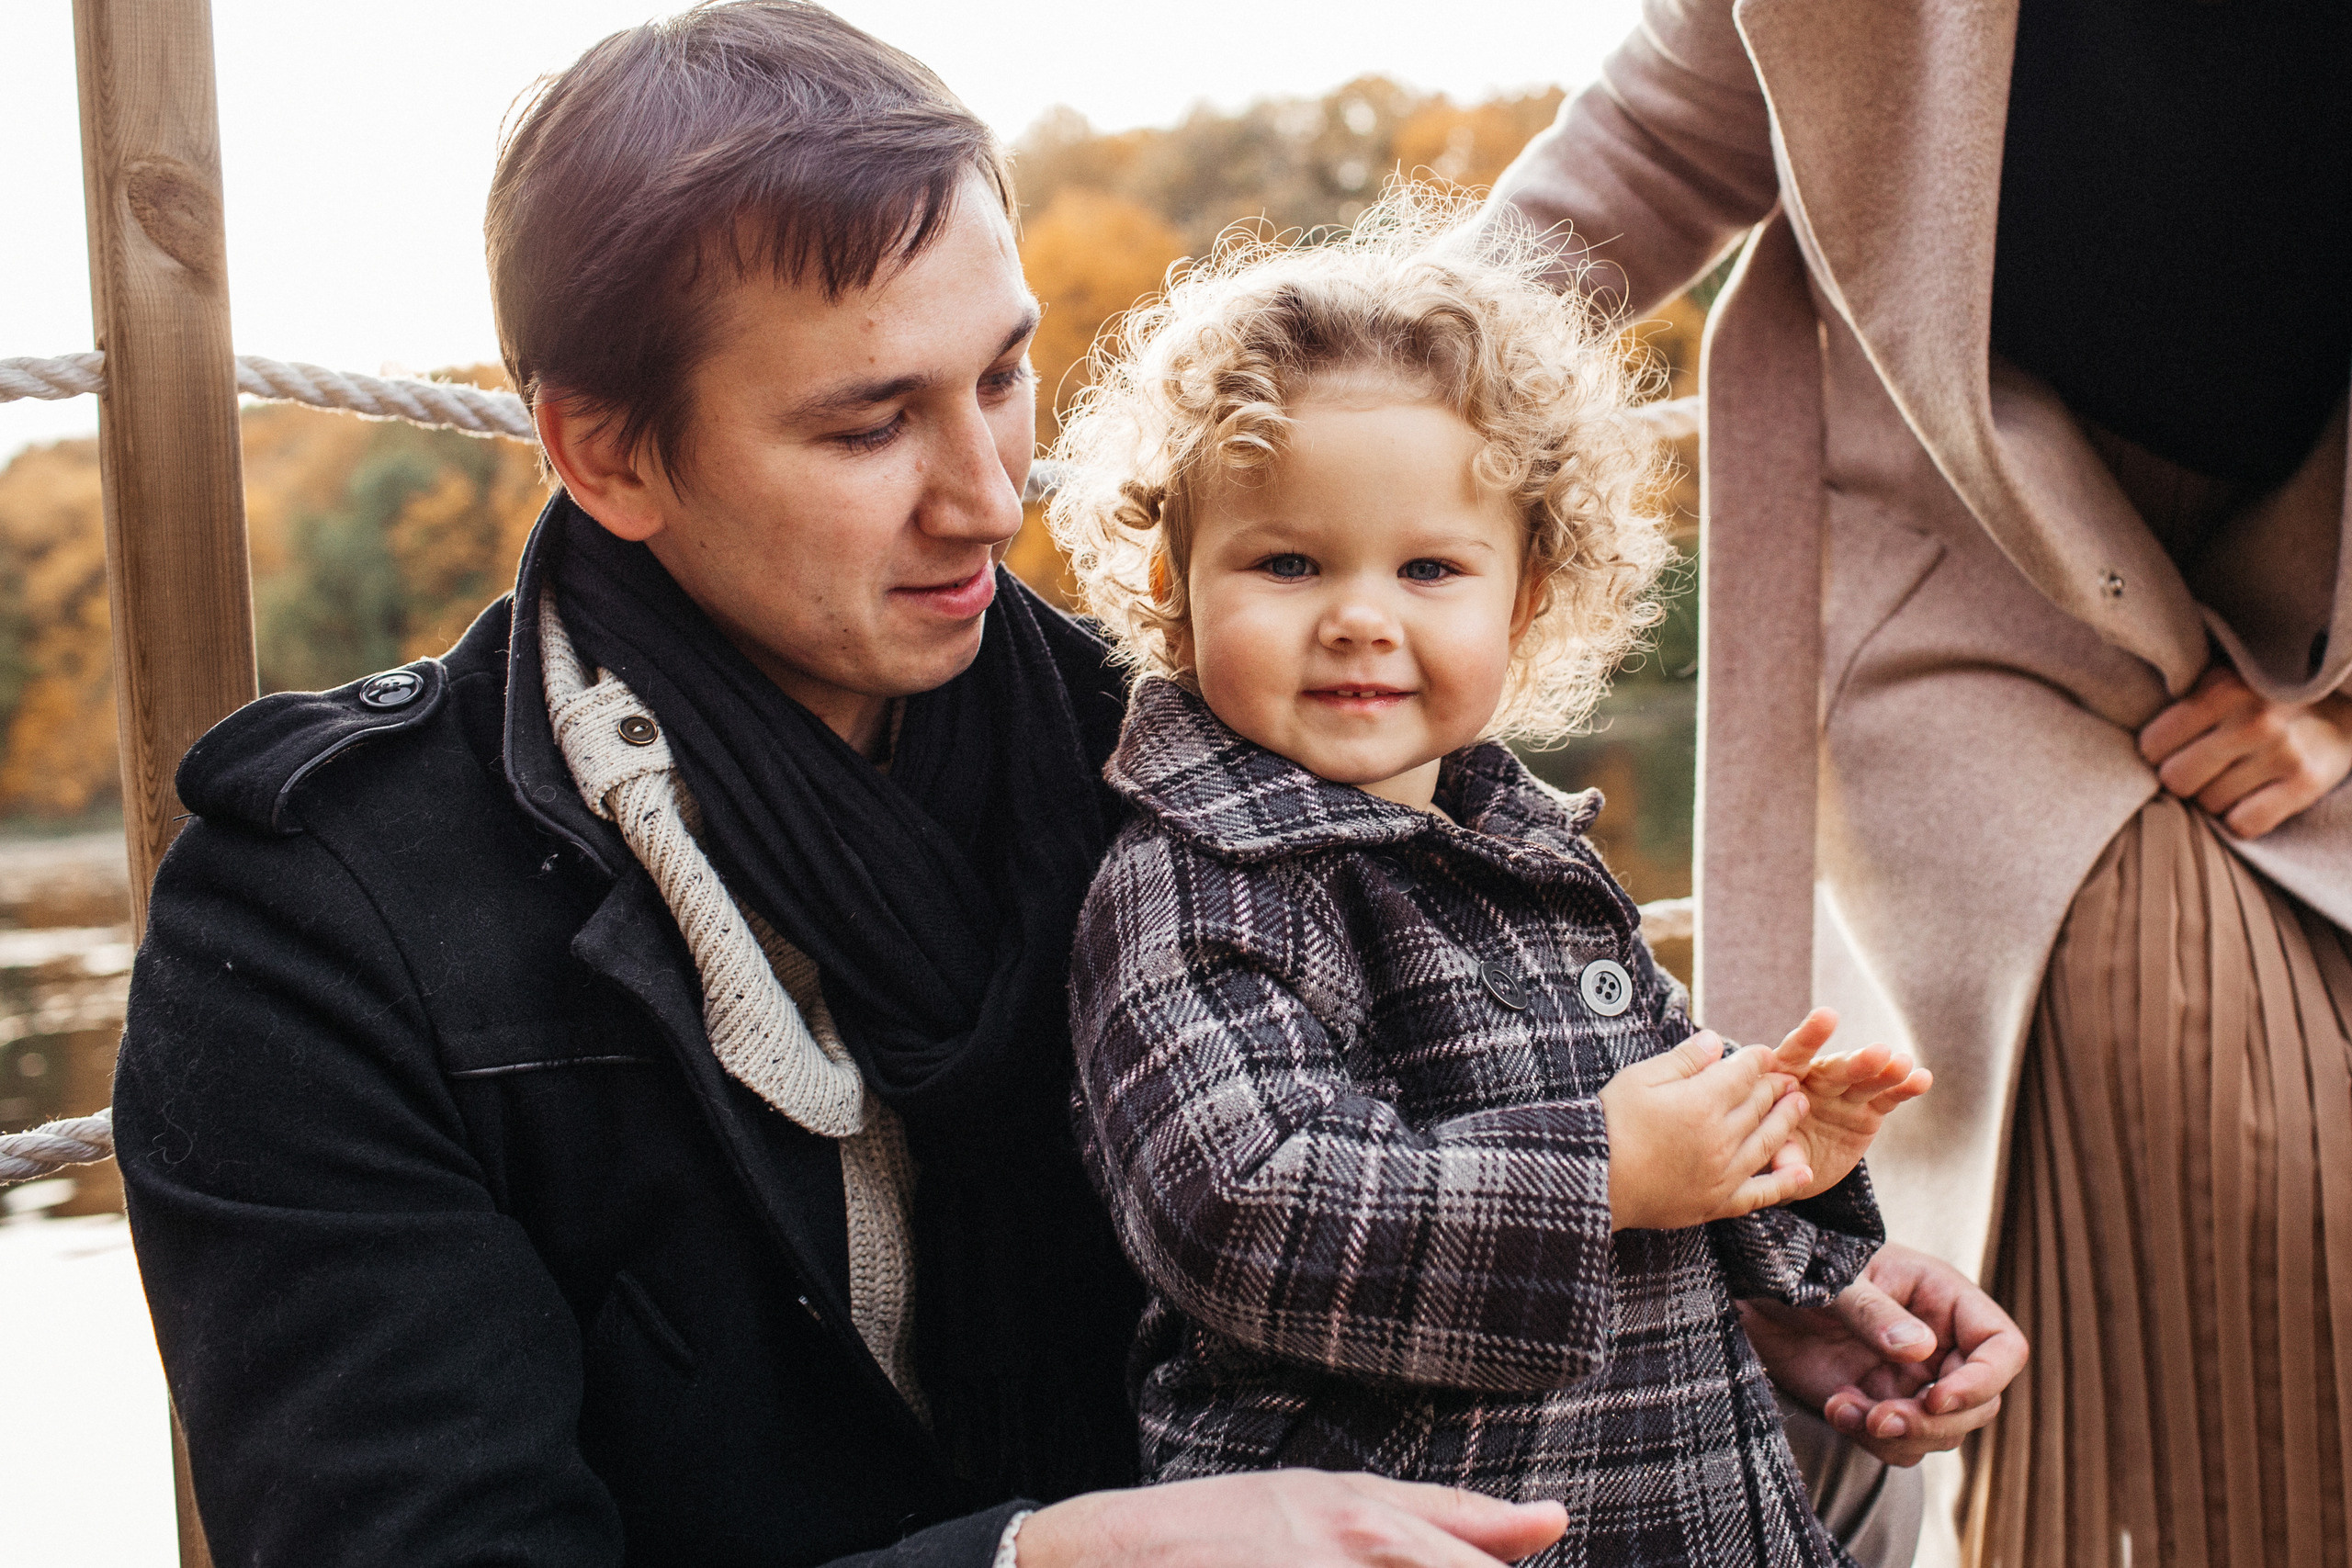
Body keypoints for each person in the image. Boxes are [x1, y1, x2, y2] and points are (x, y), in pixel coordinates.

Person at [110, 5, 2021, 1566]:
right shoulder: (316, 927)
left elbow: (1485, 1115)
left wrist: (1769, 1279)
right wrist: (1045, 1564)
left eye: (1004, 378)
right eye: (868, 422)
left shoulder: (1196, 752)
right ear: (604, 452)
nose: (984, 492)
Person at [1487, 1, 2352, 1562]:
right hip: (1958, 547)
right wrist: (1318, 415)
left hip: (2323, 597)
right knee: (2207, 1081)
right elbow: (1648, 153)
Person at [1047, 200, 1933, 1565]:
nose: (1358, 614)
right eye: (1286, 563)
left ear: (1522, 602)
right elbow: (1238, 1205)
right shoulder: (1197, 878)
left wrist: (1771, 1168)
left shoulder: (1530, 851)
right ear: (1175, 584)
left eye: (1429, 568)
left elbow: (1651, 1152)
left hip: (1676, 1507)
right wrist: (1612, 1171)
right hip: (1409, 1528)